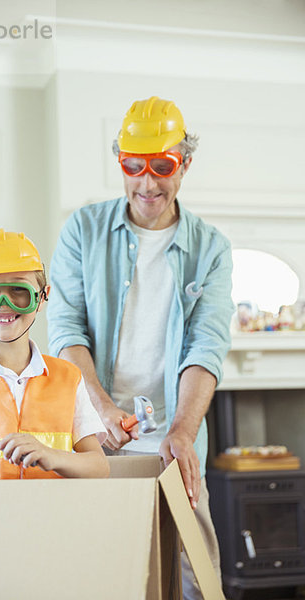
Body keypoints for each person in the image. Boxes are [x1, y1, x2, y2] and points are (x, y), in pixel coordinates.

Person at [47, 96, 234, 598]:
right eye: (133, 166)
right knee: (100, 568)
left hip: (175, 440)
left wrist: (182, 429)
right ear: (121, 163)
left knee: (195, 574)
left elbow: (207, 343)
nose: (147, 183)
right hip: (96, 438)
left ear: (185, 163)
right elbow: (66, 328)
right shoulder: (82, 232)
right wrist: (102, 408)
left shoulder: (211, 247)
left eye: (163, 166)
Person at [0, 229, 109, 481]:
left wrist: (51, 456)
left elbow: (99, 468)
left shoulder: (68, 377)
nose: (4, 304)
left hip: (59, 519)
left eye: (18, 291)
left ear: (43, 296)